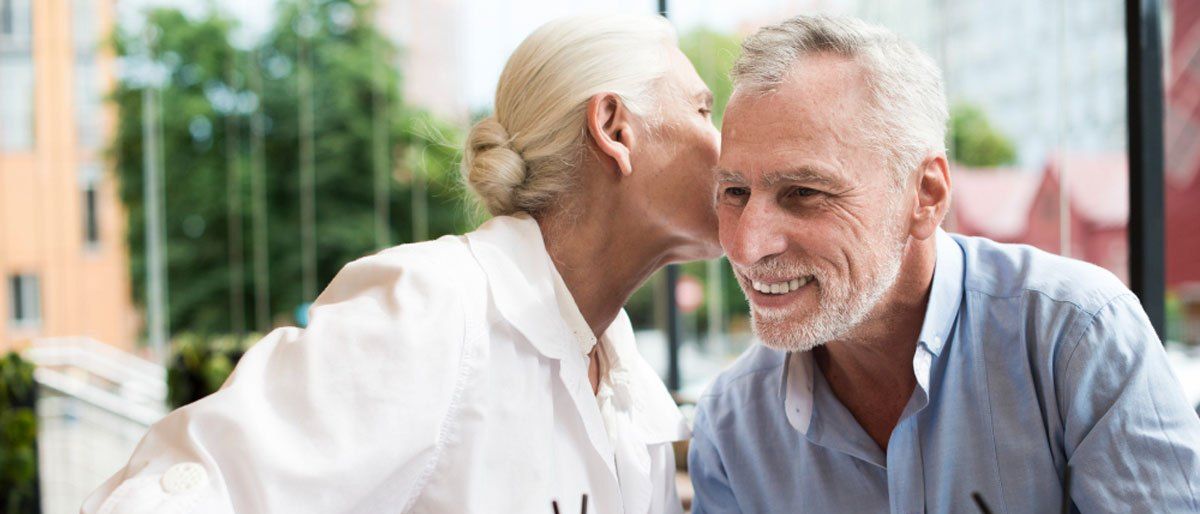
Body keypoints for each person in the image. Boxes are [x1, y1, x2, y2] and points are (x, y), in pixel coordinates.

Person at [84, 13, 721, 514]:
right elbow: (189, 491)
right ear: (614, 126)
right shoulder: (439, 307)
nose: (725, 143)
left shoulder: (623, 374)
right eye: (701, 109)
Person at [688, 14, 1200, 513]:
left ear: (926, 195)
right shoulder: (732, 428)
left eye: (804, 192)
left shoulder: (1076, 337)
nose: (746, 245)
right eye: (733, 191)